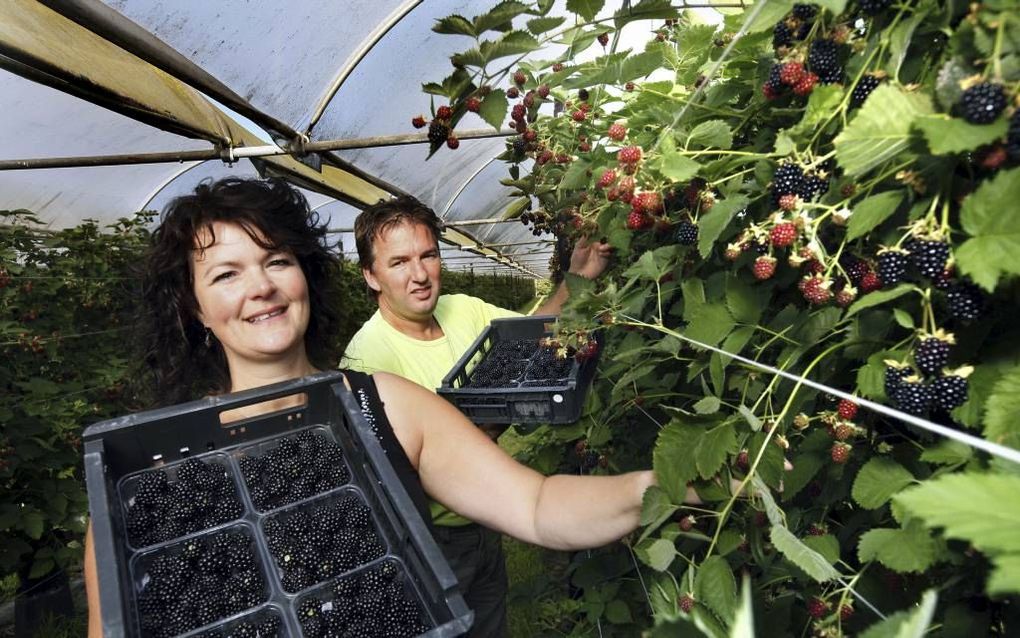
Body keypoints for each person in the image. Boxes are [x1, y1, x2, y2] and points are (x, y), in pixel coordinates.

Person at [84, 177, 703, 637]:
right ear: (192, 309)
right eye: (225, 275)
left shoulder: (387, 405)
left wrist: (672, 483)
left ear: (306, 276)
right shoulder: (154, 472)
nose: (261, 287)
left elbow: (537, 506)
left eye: (277, 261)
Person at [341, 195, 612, 636]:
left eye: (428, 255)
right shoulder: (367, 363)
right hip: (432, 542)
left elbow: (531, 336)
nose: (419, 275)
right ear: (371, 276)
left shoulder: (464, 309)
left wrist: (577, 276)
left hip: (487, 520)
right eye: (399, 263)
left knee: (490, 622)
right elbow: (383, 478)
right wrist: (469, 437)